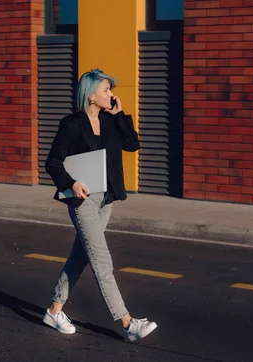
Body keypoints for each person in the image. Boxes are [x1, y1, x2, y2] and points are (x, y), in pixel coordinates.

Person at [42, 69, 157, 342]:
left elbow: (132, 144)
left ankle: (53, 310)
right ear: (91, 96)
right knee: (101, 261)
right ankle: (129, 324)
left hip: (106, 199)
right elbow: (53, 162)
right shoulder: (71, 124)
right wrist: (71, 184)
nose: (111, 94)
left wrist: (120, 115)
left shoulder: (110, 120)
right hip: (83, 200)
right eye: (105, 90)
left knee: (80, 257)